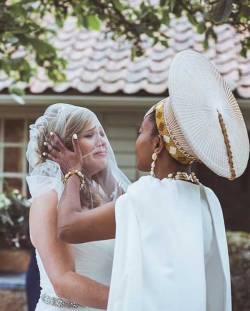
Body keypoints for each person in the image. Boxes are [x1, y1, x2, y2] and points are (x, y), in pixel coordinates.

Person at [48, 50, 249, 311]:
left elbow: (68, 228)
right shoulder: (206, 199)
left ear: (157, 143)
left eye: (140, 132)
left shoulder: (148, 196)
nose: (136, 141)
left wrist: (72, 170)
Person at [26, 103, 130, 310]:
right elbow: (63, 281)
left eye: (102, 133)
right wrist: (133, 301)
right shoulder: (48, 199)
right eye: (90, 135)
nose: (102, 142)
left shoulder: (103, 195)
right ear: (63, 147)